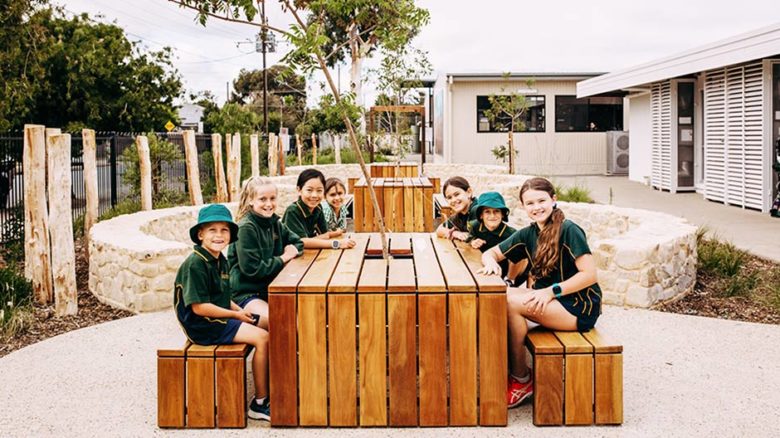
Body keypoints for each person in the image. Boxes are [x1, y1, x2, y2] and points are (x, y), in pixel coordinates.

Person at [478, 177, 602, 408]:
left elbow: (589, 275)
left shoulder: (569, 230)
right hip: (553, 303)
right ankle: (509, 369)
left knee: (510, 302)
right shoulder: (529, 233)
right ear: (523, 207)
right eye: (530, 203)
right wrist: (491, 262)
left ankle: (521, 379)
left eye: (541, 200)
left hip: (576, 307)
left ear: (554, 200)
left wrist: (550, 292)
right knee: (498, 297)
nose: (537, 207)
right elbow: (492, 253)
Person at [173, 203, 271, 421]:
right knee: (262, 338)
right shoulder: (195, 264)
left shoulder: (219, 259)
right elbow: (200, 307)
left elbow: (222, 296)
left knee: (269, 323)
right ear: (200, 234)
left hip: (219, 318)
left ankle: (269, 381)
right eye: (212, 230)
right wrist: (236, 315)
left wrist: (241, 310)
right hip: (203, 326)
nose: (219, 235)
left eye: (224, 230)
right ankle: (260, 403)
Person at [228, 176, 303, 331]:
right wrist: (283, 258)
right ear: (250, 200)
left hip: (270, 289)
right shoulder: (246, 228)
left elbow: (298, 242)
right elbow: (252, 270)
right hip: (246, 294)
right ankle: (282, 355)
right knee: (283, 323)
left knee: (308, 315)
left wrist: (290, 252)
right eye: (262, 199)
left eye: (272, 198)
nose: (269, 204)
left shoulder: (274, 223)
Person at [283, 169, 356, 249]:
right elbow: (301, 242)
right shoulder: (293, 211)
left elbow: (325, 234)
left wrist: (335, 233)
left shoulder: (318, 208)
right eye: (309, 190)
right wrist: (336, 243)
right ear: (299, 190)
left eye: (319, 190)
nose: (314, 195)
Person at [466, 191, 524, 283]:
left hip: (503, 274)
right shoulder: (475, 226)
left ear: (503, 214)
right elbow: (468, 238)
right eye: (487, 212)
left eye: (496, 211)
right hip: (480, 267)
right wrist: (473, 241)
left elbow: (520, 260)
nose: (492, 216)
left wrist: (509, 279)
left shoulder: (511, 234)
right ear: (481, 215)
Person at [435, 176, 478, 241]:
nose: (453, 200)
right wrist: (455, 233)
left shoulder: (479, 210)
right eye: (449, 197)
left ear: (469, 192)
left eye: (457, 194)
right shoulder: (460, 215)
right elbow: (439, 230)